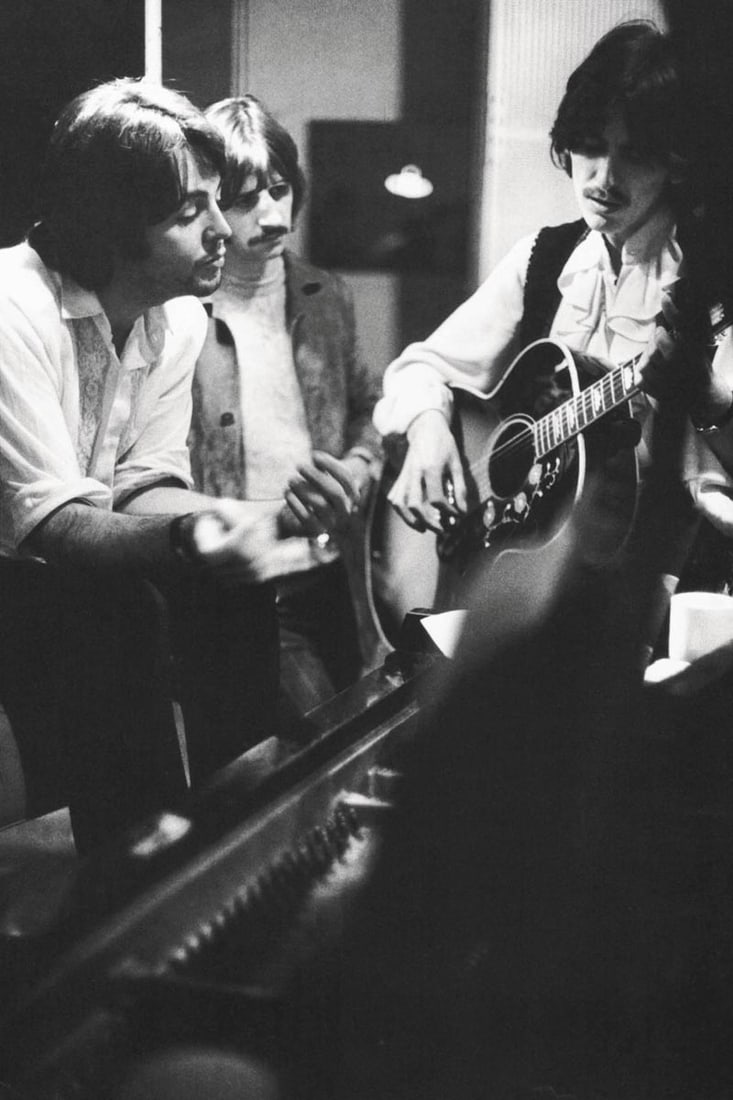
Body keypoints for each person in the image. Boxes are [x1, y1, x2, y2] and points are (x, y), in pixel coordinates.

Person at [0, 79, 351, 853]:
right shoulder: (9, 310)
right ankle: (123, 904)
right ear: (112, 230)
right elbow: (53, 525)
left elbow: (141, 484)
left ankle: (239, 846)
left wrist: (258, 525)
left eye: (214, 202)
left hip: (50, 569)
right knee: (114, 612)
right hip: (19, 574)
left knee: (234, 589)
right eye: (190, 213)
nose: (223, 230)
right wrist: (195, 540)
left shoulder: (178, 319)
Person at [373, 20, 733, 662]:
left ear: (677, 162)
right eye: (591, 146)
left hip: (668, 610)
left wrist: (705, 403)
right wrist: (428, 427)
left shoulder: (710, 284)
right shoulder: (547, 259)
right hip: (530, 597)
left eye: (638, 152)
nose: (604, 177)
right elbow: (418, 367)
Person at [189, 95, 382, 726]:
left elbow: (367, 411)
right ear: (210, 205)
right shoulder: (177, 311)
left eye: (279, 189)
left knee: (345, 732)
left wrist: (356, 469)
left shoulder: (326, 293)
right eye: (245, 198)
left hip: (329, 568)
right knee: (308, 745)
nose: (272, 214)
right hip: (237, 583)